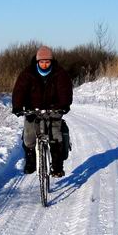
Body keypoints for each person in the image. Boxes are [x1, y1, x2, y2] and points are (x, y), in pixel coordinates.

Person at [11, 45, 73, 177]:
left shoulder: (59, 73)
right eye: (42, 62)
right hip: (32, 109)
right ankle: (30, 161)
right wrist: (17, 106)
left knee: (55, 135)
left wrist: (64, 105)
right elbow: (19, 91)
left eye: (47, 61)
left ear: (51, 61)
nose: (44, 64)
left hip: (54, 108)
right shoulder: (28, 73)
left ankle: (57, 166)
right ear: (37, 61)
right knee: (29, 135)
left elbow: (65, 91)